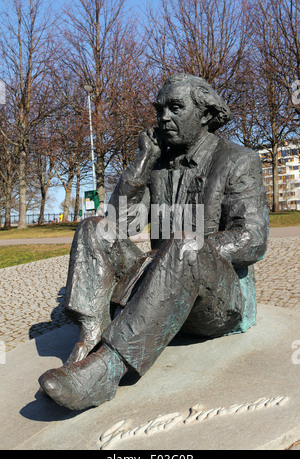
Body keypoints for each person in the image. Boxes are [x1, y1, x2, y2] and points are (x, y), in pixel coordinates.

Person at [38, 74, 268, 410]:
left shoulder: (237, 159)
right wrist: (141, 163)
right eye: (160, 110)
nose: (164, 117)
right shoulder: (158, 165)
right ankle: (92, 336)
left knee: (185, 246)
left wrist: (187, 253)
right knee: (94, 228)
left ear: (204, 115)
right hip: (164, 284)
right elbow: (120, 223)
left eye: (176, 108)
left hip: (219, 300)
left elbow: (252, 238)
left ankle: (108, 370)